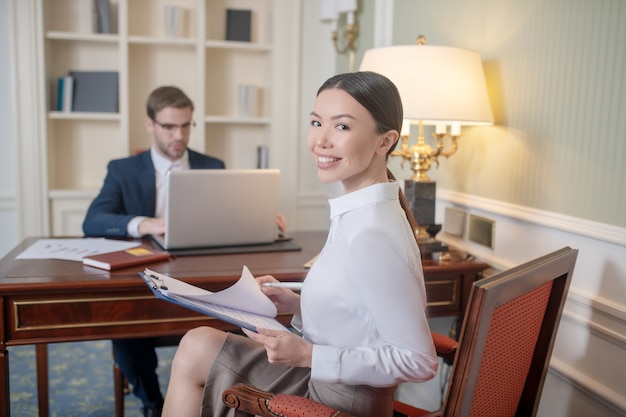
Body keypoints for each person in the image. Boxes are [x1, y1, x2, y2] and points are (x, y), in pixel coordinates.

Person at [160, 71, 438, 417]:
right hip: (327, 377)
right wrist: (295, 304)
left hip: (342, 401)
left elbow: (419, 362)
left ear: (385, 141)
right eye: (316, 122)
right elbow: (359, 317)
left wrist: (309, 355)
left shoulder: (371, 232)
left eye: (341, 127)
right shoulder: (360, 212)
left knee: (195, 349)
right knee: (197, 343)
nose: (320, 140)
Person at [83, 86, 224, 417]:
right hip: (146, 278)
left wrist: (261, 219)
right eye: (169, 127)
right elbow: (93, 220)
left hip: (204, 278)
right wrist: (145, 223)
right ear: (150, 125)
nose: (180, 135)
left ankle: (220, 401)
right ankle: (152, 404)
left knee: (239, 323)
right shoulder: (123, 170)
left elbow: (226, 215)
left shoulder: (212, 165)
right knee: (126, 330)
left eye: (187, 126)